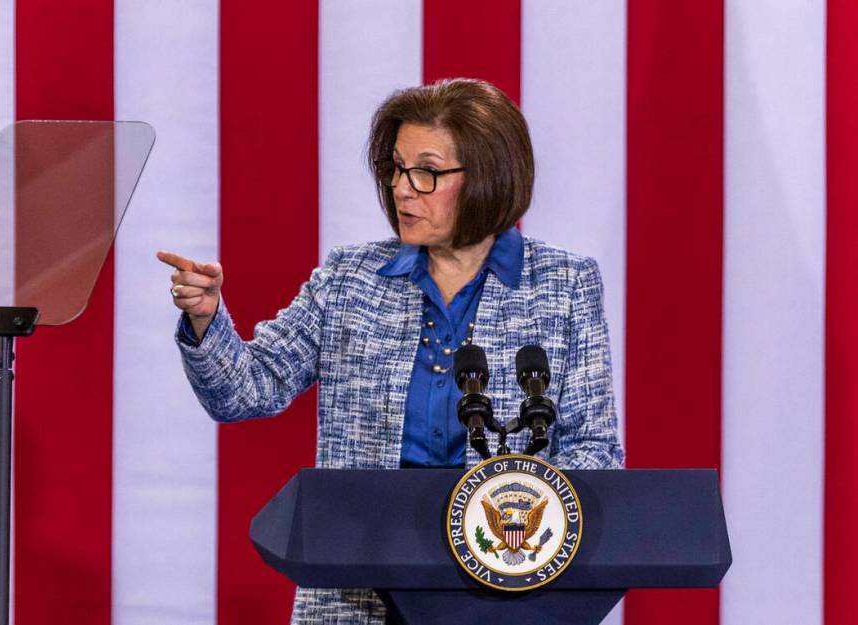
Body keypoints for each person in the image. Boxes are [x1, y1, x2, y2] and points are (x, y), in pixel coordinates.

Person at [158, 78, 624, 625]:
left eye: (427, 172)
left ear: (490, 177)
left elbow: (593, 451)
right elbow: (246, 389)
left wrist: (519, 541)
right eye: (397, 169)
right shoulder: (350, 278)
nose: (404, 189)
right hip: (359, 590)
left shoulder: (565, 284)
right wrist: (207, 319)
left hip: (506, 589)